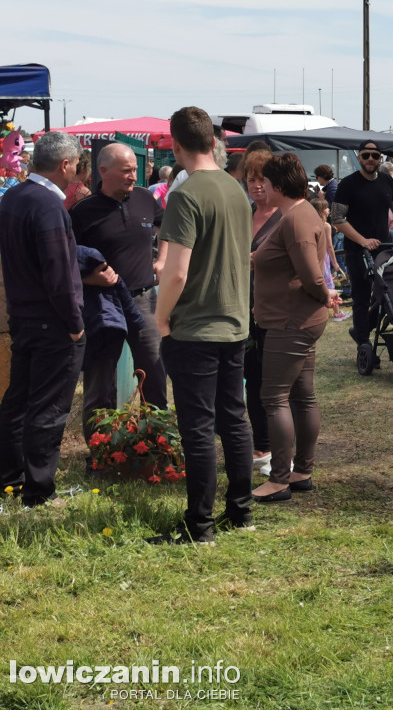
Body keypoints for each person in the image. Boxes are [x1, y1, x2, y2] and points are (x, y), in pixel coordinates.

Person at [151, 106, 254, 544]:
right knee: (234, 419)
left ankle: (200, 526)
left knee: (197, 428)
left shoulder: (186, 194)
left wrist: (160, 318)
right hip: (234, 322)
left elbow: (175, 272)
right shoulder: (235, 189)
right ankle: (241, 512)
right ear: (214, 142)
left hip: (194, 327)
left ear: (175, 146)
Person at [0, 131, 86, 507]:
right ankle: (38, 490)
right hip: (52, 321)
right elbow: (59, 274)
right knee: (47, 408)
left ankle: (12, 480)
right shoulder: (48, 206)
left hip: (22, 314)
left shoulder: (14, 197)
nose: (77, 174)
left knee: (19, 401)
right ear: (65, 165)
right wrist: (74, 323)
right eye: (77, 166)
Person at [251, 153, 339, 503]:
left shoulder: (296, 219)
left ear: (277, 186)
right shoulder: (297, 214)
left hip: (291, 321)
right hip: (298, 318)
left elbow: (310, 275)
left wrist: (325, 294)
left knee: (274, 398)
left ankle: (280, 479)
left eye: (266, 183)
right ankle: (301, 471)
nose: (262, 188)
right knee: (302, 396)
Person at [69, 142, 168, 439]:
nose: (133, 176)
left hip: (142, 301)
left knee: (154, 374)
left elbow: (167, 227)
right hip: (101, 303)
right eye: (126, 171)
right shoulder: (82, 212)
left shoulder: (145, 198)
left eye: (135, 170)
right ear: (103, 172)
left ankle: (159, 445)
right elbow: (65, 258)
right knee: (100, 380)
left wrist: (162, 259)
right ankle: (100, 450)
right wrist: (88, 280)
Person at [331, 140, 393, 346]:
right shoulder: (348, 184)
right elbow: (337, 218)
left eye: (375, 156)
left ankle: (363, 328)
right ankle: (364, 344)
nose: (370, 159)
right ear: (359, 157)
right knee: (361, 299)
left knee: (385, 297)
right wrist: (362, 240)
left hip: (383, 250)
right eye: (366, 155)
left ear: (380, 159)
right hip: (356, 250)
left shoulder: (387, 181)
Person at [241, 148, 280, 472]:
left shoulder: (286, 216)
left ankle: (280, 449)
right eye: (251, 179)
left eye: (262, 179)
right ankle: (261, 446)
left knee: (275, 383)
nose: (256, 186)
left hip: (277, 311)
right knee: (252, 379)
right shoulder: (243, 215)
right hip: (244, 309)